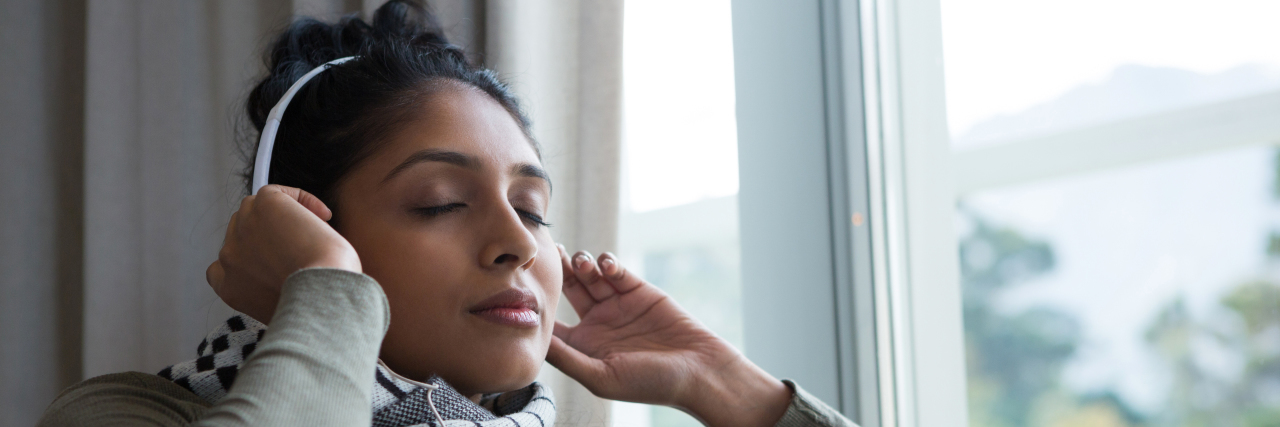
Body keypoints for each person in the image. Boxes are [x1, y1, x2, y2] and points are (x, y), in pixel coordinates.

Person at [37, 1, 856, 426]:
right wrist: (324, 289)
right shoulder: (125, 413)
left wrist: (730, 390)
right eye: (442, 202)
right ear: (308, 226)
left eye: (533, 210)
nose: (513, 242)